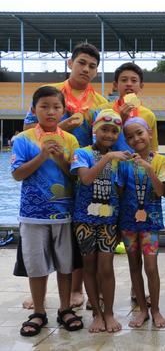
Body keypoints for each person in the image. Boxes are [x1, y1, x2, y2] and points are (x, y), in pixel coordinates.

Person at [22, 42, 106, 310]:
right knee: (40, 238)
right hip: (47, 171)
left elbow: (105, 138)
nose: (86, 69)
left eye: (92, 66)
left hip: (81, 172)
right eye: (82, 63)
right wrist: (61, 126)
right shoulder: (51, 94)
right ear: (70, 64)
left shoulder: (100, 102)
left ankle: (77, 289)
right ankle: (40, 294)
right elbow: (27, 128)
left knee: (75, 233)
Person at [12, 87, 83, 336]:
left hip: (64, 214)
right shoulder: (24, 139)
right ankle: (38, 311)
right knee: (36, 266)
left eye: (55, 107)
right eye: (44, 106)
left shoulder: (71, 141)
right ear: (34, 110)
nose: (50, 111)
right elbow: (17, 174)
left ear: (64, 110)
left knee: (66, 265)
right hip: (32, 215)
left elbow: (76, 178)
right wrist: (43, 155)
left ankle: (65, 308)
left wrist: (61, 158)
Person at [70, 109, 127, 333]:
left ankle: (109, 312)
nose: (109, 135)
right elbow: (85, 179)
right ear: (95, 129)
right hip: (84, 220)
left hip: (108, 221)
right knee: (89, 268)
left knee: (107, 268)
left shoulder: (119, 159)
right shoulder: (81, 153)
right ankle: (96, 313)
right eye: (104, 129)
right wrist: (108, 157)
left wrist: (120, 224)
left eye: (114, 131)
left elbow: (120, 194)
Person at [116, 117, 165, 328]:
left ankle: (156, 310)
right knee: (134, 266)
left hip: (151, 223)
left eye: (139, 133)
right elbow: (119, 194)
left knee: (151, 267)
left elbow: (162, 192)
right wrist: (117, 224)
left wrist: (148, 168)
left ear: (149, 133)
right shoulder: (124, 163)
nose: (135, 138)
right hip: (128, 223)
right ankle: (143, 310)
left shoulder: (161, 161)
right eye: (129, 136)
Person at [95, 62, 158, 152]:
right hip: (110, 162)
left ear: (141, 86)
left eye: (134, 80)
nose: (129, 84)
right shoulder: (102, 110)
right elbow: (96, 144)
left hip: (137, 164)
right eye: (124, 80)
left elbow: (152, 149)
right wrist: (120, 120)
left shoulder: (148, 115)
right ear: (115, 85)